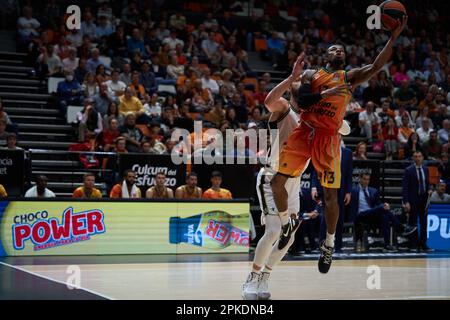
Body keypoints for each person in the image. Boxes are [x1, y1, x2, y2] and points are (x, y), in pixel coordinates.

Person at [270, 17, 407, 274]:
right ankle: (286, 223)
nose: (339, 51)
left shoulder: (349, 77)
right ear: (326, 55)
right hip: (305, 131)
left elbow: (377, 65)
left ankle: (329, 244)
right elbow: (305, 103)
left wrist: (393, 38)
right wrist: (324, 94)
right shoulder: (312, 75)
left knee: (330, 196)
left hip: (328, 140)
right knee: (276, 182)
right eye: (334, 48)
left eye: (342, 49)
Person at [242, 54, 351, 299]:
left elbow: (340, 128)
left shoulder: (314, 118)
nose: (300, 84)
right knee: (272, 231)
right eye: (298, 83)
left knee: (288, 238)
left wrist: (341, 123)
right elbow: (269, 100)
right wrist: (290, 77)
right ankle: (252, 277)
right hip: (272, 177)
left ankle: (265, 277)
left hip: (294, 182)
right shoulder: (285, 109)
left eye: (302, 82)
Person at [350, 172, 416, 252]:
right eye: (364, 179)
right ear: (360, 179)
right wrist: (383, 206)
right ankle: (402, 228)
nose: (366, 181)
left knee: (384, 216)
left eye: (368, 179)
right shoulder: (353, 190)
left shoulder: (373, 191)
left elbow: (378, 204)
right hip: (360, 215)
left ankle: (387, 245)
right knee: (382, 208)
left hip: (372, 215)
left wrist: (383, 206)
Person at [313, 146, 353, 253]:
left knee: (339, 218)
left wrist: (348, 191)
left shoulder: (348, 152)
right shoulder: (325, 149)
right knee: (325, 217)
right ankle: (322, 244)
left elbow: (349, 174)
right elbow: (316, 169)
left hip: (341, 189)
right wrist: (314, 186)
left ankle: (338, 246)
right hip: (326, 186)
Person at [402, 151, 433, 252]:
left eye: (419, 156)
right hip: (413, 200)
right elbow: (405, 187)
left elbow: (428, 183)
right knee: (413, 223)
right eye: (415, 156)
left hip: (424, 200)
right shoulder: (408, 170)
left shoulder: (426, 169)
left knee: (424, 223)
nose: (418, 158)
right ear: (413, 158)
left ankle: (424, 244)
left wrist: (429, 189)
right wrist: (406, 201)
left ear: (423, 158)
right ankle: (413, 245)